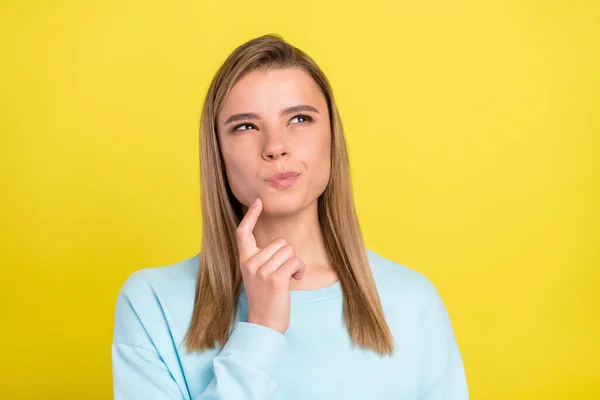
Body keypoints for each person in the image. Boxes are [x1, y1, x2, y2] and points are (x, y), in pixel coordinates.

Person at [111, 33, 469, 399]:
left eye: (299, 118)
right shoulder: (151, 303)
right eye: (246, 126)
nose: (275, 146)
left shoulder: (412, 303)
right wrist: (261, 331)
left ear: (331, 135)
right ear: (217, 152)